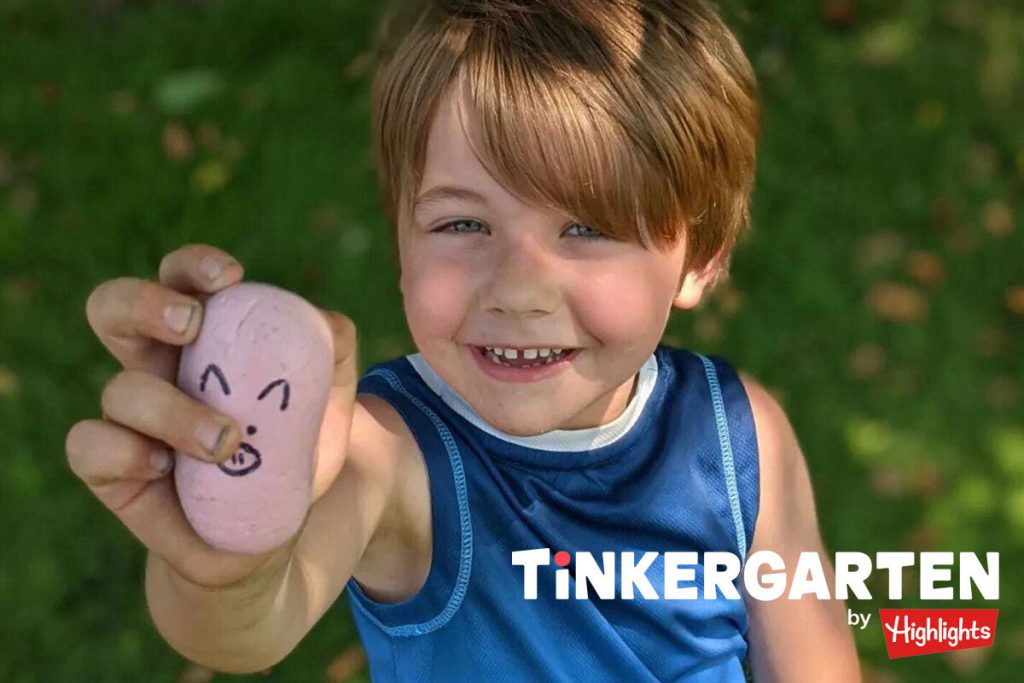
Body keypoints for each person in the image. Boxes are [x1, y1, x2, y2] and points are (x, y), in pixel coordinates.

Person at [66, 0, 861, 680]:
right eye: (462, 223)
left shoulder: (739, 435)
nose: (516, 289)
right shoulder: (392, 454)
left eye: (587, 227)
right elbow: (244, 625)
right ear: (402, 243)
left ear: (701, 258)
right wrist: (223, 561)